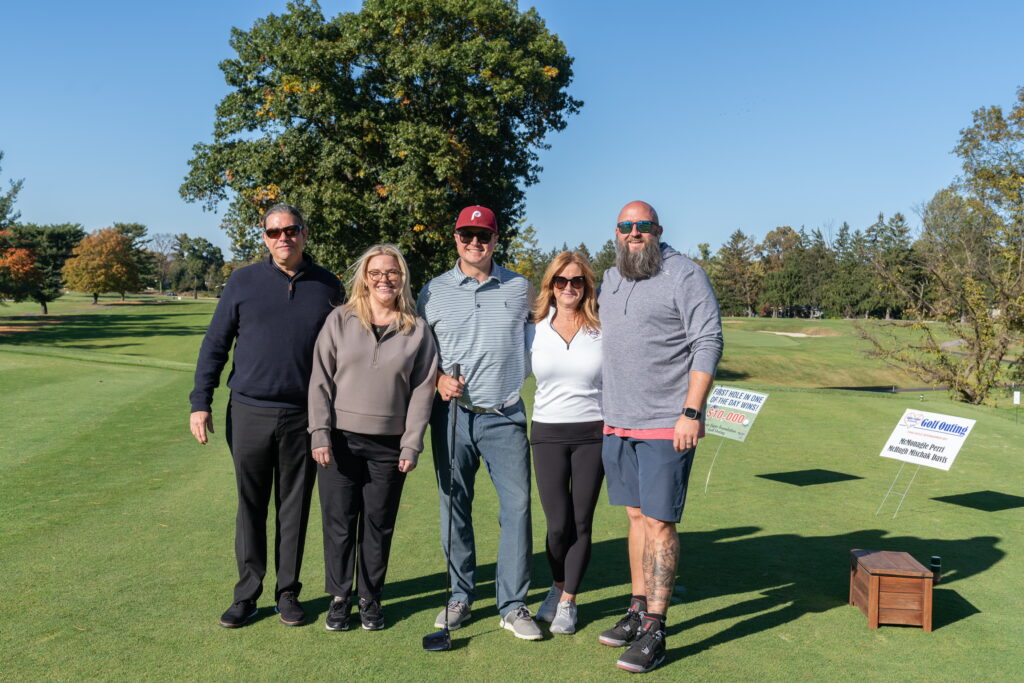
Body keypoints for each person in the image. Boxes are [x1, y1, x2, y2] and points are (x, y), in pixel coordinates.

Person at [189, 204, 343, 628]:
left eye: (291, 230)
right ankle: (247, 594)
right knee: (251, 506)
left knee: (293, 508)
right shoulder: (243, 281)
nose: (283, 238)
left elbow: (343, 355)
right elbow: (215, 344)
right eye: (274, 232)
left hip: (303, 416)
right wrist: (200, 401)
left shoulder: (327, 286)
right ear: (264, 237)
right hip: (249, 410)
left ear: (304, 234)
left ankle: (288, 593)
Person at [596, 201, 723, 673]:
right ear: (617, 232)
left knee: (659, 523)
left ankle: (656, 628)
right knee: (634, 517)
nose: (634, 233)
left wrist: (692, 411)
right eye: (626, 227)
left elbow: (707, 341)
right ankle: (636, 609)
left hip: (666, 423)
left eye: (642, 226)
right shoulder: (610, 279)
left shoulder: (684, 273)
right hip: (618, 422)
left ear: (657, 230)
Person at [416, 205, 540, 640]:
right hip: (451, 416)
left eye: (483, 235)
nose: (475, 243)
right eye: (467, 235)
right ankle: (460, 595)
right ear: (455, 238)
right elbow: (418, 353)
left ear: (495, 238)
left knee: (519, 507)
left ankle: (512, 604)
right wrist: (437, 380)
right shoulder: (432, 292)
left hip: (504, 416)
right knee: (455, 507)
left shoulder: (520, 287)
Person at [308, 244, 439, 632]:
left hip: (389, 445)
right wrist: (319, 432)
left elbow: (423, 389)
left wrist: (411, 443)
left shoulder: (416, 329)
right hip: (339, 440)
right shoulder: (340, 319)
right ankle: (339, 597)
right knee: (340, 524)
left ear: (403, 278)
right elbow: (320, 380)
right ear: (365, 277)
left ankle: (370, 598)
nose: (385, 280)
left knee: (378, 525)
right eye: (377, 273)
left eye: (392, 272)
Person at [527, 251, 604, 636]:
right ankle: (556, 587)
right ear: (551, 286)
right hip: (547, 434)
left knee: (580, 521)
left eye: (577, 281)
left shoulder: (602, 329)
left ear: (586, 286)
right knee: (558, 525)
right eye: (562, 281)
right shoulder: (534, 329)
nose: (569, 288)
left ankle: (569, 600)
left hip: (593, 434)